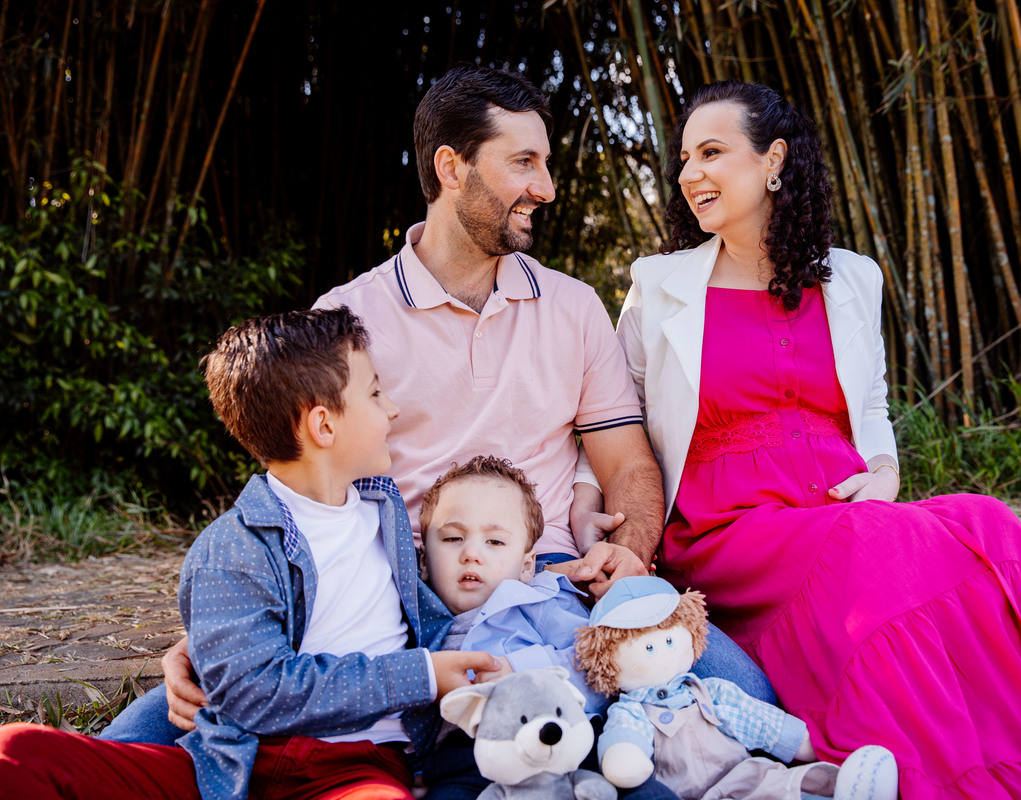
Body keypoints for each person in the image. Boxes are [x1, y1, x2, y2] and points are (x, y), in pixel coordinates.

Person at [98, 64, 773, 748]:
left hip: (547, 586)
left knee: (748, 695)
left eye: (545, 163)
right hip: (389, 595)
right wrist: (218, 623)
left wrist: (629, 555)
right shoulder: (346, 318)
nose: (546, 188)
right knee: (139, 740)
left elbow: (628, 460)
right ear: (451, 167)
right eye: (524, 163)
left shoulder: (571, 307)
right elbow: (292, 481)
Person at [614, 80, 1021, 799]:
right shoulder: (660, 286)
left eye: (711, 152)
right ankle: (940, 765)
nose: (689, 174)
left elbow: (870, 401)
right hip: (731, 524)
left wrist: (884, 471)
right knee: (875, 547)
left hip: (838, 498)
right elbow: (623, 420)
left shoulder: (853, 279)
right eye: (683, 159)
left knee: (988, 520)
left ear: (773, 162)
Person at [0, 307, 500, 800]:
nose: (391, 408)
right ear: (323, 426)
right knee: (16, 750)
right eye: (373, 393)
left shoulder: (384, 508)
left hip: (357, 767)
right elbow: (254, 692)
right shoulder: (229, 548)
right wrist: (421, 675)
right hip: (238, 762)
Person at [416, 454, 674, 800]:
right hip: (473, 758)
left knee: (640, 792)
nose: (471, 553)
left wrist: (522, 671)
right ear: (423, 563)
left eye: (494, 541)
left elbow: (600, 664)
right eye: (452, 539)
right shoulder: (418, 617)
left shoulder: (538, 599)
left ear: (526, 566)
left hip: (568, 741)